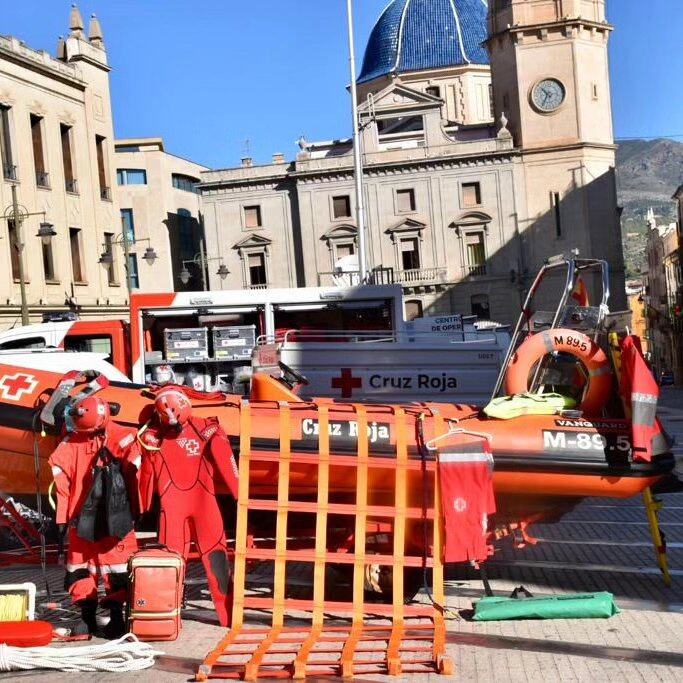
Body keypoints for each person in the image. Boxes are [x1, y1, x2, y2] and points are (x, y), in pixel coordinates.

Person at [138, 386, 238, 627]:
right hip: (176, 507)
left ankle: (228, 616)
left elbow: (226, 461)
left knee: (216, 560)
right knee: (172, 563)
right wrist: (238, 493)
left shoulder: (207, 428)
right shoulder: (153, 437)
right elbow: (146, 474)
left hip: (199, 505)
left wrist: (238, 491)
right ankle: (168, 617)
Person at [49, 396, 140, 637]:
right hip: (107, 518)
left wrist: (61, 519)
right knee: (104, 567)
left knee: (104, 568)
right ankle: (96, 617)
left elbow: (62, 486)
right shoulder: (125, 437)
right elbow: (137, 478)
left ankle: (99, 617)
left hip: (90, 519)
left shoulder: (68, 444)